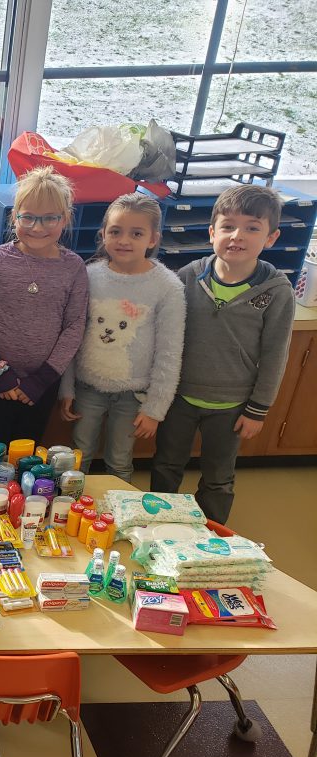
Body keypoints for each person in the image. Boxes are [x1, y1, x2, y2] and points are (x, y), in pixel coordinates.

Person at [151, 185, 294, 524]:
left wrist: (258, 410)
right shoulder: (187, 277)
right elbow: (163, 334)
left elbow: (276, 355)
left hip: (232, 406)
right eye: (228, 226)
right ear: (212, 232)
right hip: (180, 398)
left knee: (217, 476)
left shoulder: (276, 292)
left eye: (252, 228)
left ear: (271, 238)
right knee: (166, 465)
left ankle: (212, 537)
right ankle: (154, 526)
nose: (237, 236)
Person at [59, 193, 186, 482]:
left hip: (134, 395)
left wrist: (155, 408)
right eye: (116, 231)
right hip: (87, 387)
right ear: (103, 234)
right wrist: (66, 389)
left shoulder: (168, 288)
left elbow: (169, 352)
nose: (124, 240)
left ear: (153, 239)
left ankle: (116, 521)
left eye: (136, 233)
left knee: (119, 461)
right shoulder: (88, 276)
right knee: (79, 455)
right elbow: (70, 336)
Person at [0, 166, 88, 449]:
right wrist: (0, 375)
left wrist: (41, 379)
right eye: (28, 217)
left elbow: (74, 326)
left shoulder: (73, 267)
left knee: (26, 461)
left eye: (49, 219)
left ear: (65, 218)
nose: (37, 227)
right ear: (15, 216)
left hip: (41, 385)